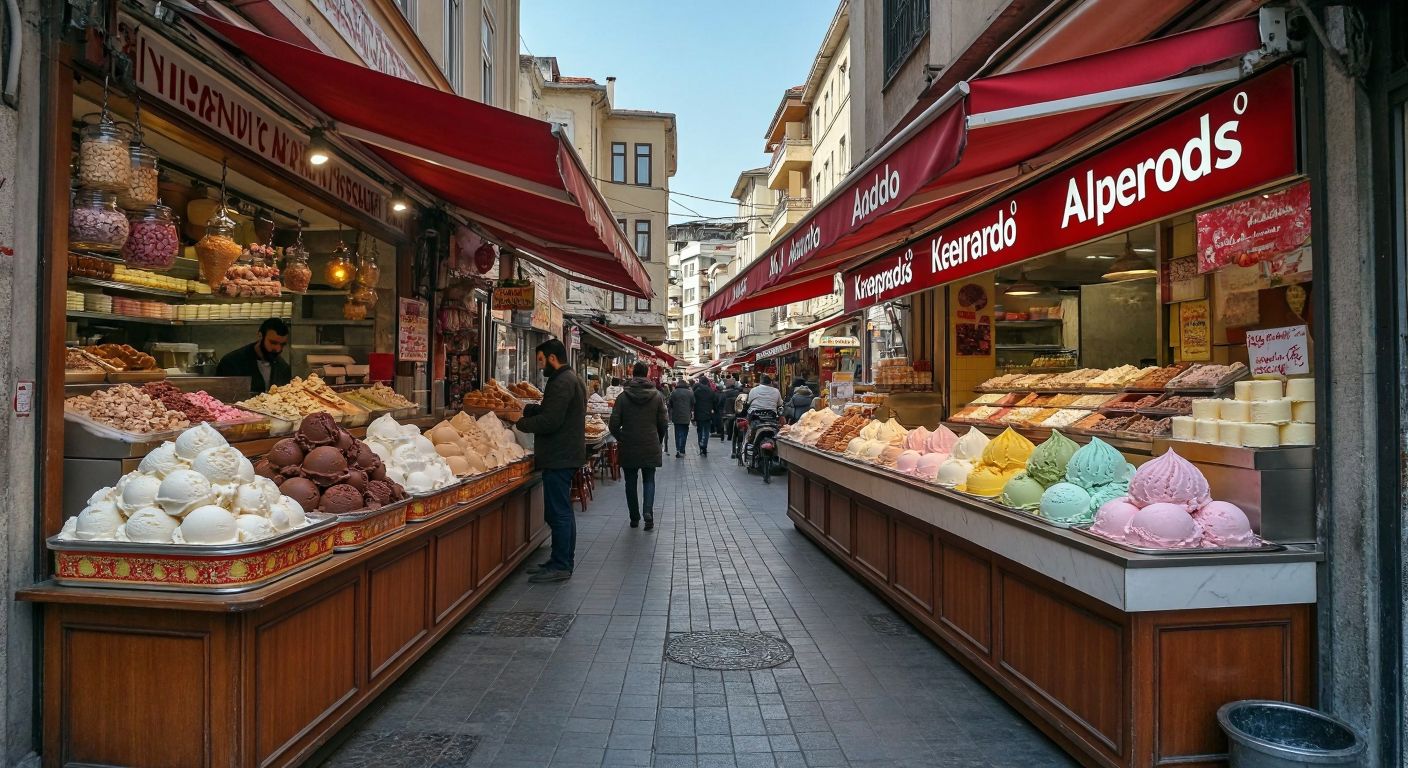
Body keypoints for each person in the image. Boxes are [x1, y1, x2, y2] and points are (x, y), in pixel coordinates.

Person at [515, 339, 586, 583]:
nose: (540, 365)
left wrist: (520, 422)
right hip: (565, 454)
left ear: (552, 358)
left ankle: (561, 564)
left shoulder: (561, 382)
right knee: (562, 511)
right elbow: (555, 412)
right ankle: (560, 559)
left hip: (559, 456)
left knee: (559, 513)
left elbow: (551, 422)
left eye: (541, 360)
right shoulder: (570, 379)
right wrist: (532, 410)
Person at [608, 362, 667, 531]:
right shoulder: (657, 396)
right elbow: (663, 423)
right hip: (650, 443)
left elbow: (613, 424)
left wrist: (621, 438)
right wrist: (659, 439)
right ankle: (648, 512)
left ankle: (634, 517)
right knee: (649, 480)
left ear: (633, 374)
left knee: (630, 482)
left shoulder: (622, 397)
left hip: (629, 444)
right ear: (647, 374)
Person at [216, 318, 292, 394]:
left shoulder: (283, 368)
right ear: (260, 336)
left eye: (282, 344)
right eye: (273, 343)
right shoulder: (232, 363)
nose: (278, 349)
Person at [667, 379, 694, 458]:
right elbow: (693, 403)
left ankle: (678, 449)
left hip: (676, 416)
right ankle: (682, 449)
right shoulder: (690, 393)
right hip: (686, 416)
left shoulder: (674, 392)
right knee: (684, 433)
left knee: (677, 433)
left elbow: (670, 403)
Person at [692, 376, 716, 456]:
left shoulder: (696, 391)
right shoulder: (711, 391)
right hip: (708, 413)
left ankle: (700, 446)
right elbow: (715, 401)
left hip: (698, 413)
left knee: (699, 431)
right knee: (706, 431)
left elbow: (693, 402)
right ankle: (704, 445)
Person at [718, 378, 741, 442]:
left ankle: (722, 437)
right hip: (733, 411)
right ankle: (730, 436)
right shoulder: (737, 393)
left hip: (725, 411)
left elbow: (720, 402)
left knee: (722, 425)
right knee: (731, 424)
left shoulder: (724, 393)